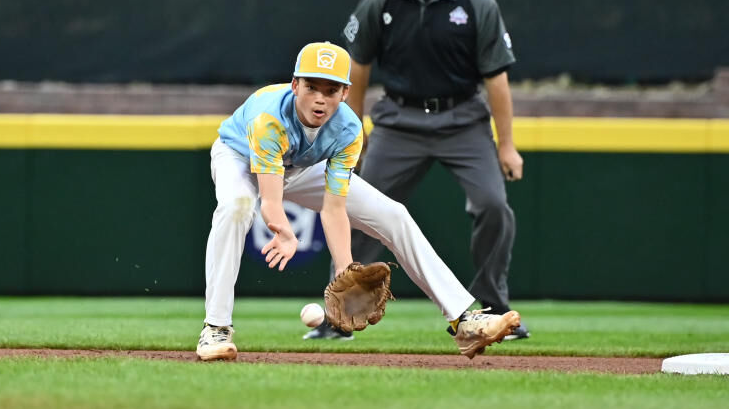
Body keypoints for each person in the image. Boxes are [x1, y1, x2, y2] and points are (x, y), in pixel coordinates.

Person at [196, 41, 521, 361]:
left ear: (345, 93)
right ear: (295, 85)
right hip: (239, 159)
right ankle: (216, 327)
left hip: (301, 167)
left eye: (331, 89)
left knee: (394, 214)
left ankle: (462, 320)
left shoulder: (349, 129)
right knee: (236, 207)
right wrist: (283, 230)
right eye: (312, 87)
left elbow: (334, 207)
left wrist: (344, 269)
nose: (320, 99)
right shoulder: (270, 118)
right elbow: (270, 200)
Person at [304, 0, 528, 341]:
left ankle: (492, 308)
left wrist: (507, 145)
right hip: (400, 120)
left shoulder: (476, 1)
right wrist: (356, 129)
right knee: (358, 208)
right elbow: (357, 67)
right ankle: (341, 315)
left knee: (493, 206)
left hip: (463, 119)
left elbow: (496, 79)